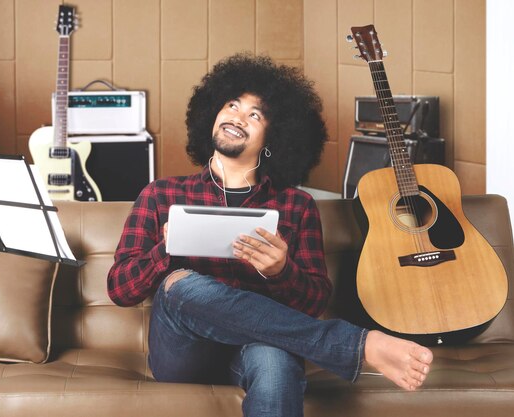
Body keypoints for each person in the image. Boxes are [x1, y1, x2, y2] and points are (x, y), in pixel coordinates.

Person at [107, 53, 433, 417]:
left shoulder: (296, 206)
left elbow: (313, 301)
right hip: (183, 353)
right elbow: (120, 289)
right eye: (231, 105)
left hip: (262, 346)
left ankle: (344, 346)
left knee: (277, 362)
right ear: (211, 114)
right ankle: (354, 346)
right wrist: (165, 251)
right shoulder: (161, 195)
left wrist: (282, 272)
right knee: (180, 283)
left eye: (255, 115)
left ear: (272, 138)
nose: (237, 117)